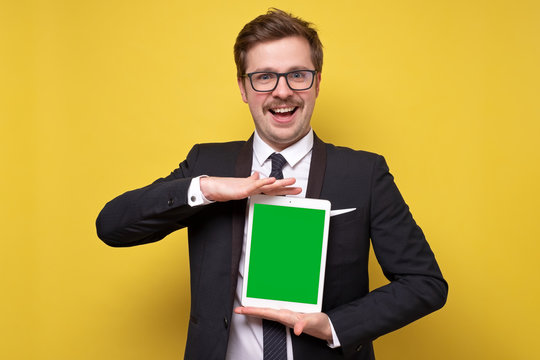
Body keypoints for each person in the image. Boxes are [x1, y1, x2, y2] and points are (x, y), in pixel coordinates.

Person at [96, 8, 448, 360]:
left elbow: (425, 283)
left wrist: (334, 325)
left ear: (317, 82)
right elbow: (112, 227)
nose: (282, 91)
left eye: (297, 75)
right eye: (264, 77)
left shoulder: (363, 173)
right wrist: (206, 189)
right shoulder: (208, 163)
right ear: (244, 88)